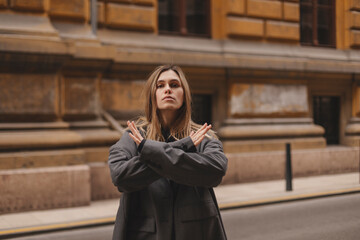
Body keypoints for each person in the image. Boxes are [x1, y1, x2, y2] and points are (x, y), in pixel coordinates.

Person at [108, 65, 228, 240]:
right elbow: (119, 176)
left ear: (184, 94)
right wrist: (184, 146)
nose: (167, 90)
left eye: (174, 85)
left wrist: (150, 152)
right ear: (153, 94)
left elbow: (216, 170)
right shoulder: (134, 135)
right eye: (160, 85)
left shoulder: (203, 136)